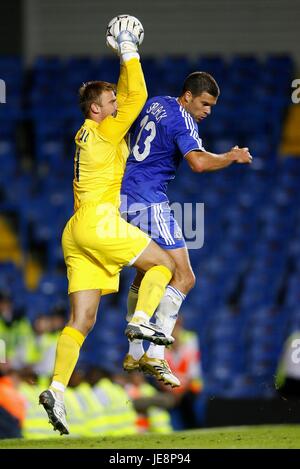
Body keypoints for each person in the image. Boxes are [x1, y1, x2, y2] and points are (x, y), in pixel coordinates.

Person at [39, 16, 176, 436]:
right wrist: (128, 49)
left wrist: (118, 66)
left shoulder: (90, 133)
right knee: (164, 265)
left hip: (75, 231)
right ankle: (141, 321)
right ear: (96, 110)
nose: (118, 106)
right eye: (110, 102)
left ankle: (56, 390)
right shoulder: (104, 130)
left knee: (81, 321)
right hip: (100, 222)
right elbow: (140, 97)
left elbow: (126, 97)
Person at [121, 71, 253, 387]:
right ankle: (156, 351)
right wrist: (230, 156)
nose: (208, 111)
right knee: (184, 276)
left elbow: (130, 136)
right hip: (148, 198)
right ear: (188, 96)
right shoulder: (184, 120)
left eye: (212, 106)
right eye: (205, 104)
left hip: (123, 195)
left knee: (146, 272)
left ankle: (133, 350)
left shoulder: (156, 103)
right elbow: (198, 163)